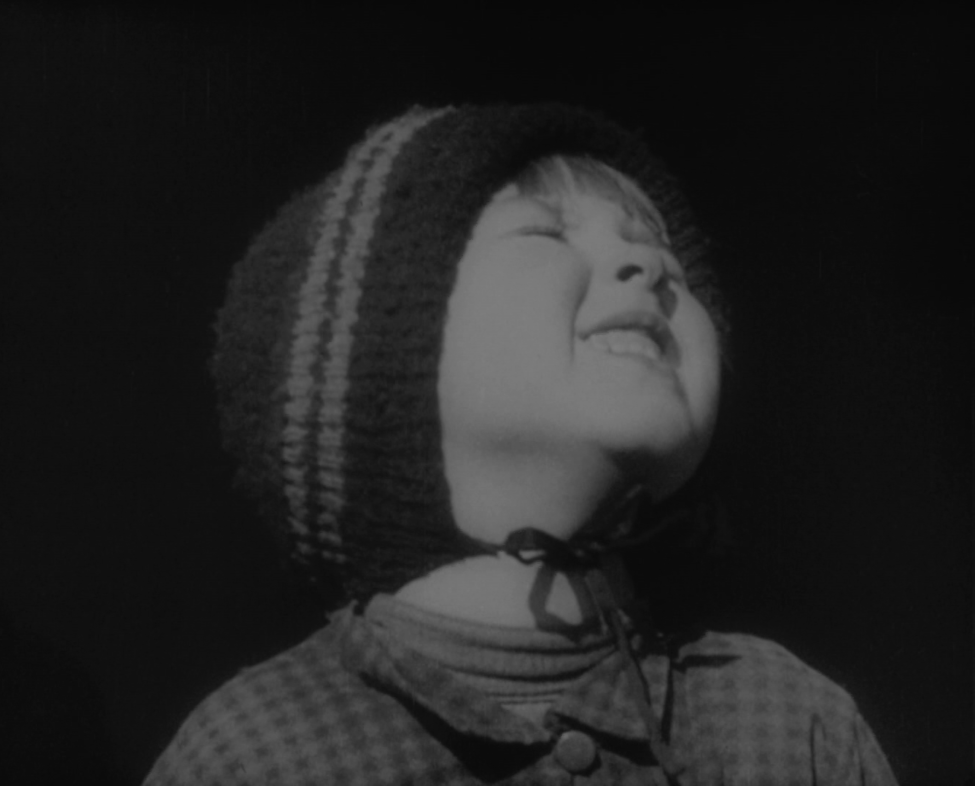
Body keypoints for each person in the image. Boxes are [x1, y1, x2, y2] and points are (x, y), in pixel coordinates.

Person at [143, 104, 898, 785]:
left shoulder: (786, 722)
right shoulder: (261, 754)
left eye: (661, 248)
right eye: (545, 232)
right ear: (379, 347)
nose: (652, 267)